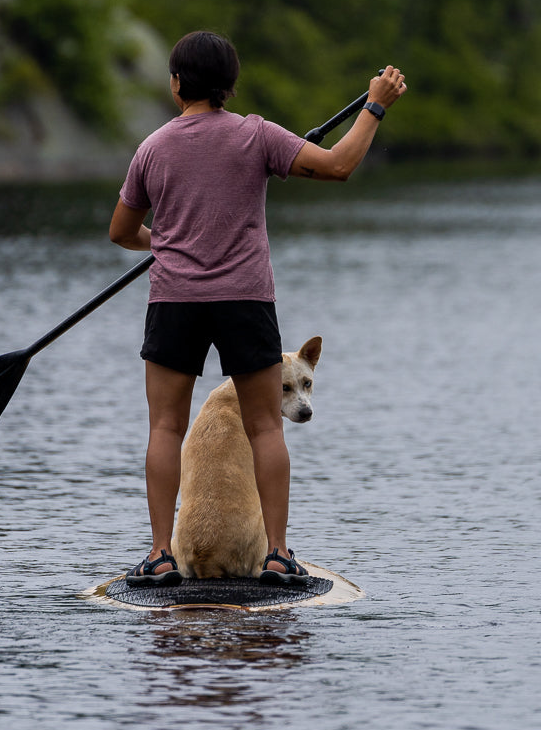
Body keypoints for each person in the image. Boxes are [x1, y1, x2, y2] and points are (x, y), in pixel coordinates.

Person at [110, 31, 407, 586]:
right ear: (230, 86)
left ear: (175, 85)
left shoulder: (152, 147)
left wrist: (170, 240)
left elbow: (121, 232)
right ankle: (277, 554)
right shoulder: (257, 135)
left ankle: (158, 556)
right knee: (267, 427)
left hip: (176, 299)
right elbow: (340, 165)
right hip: (246, 298)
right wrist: (374, 107)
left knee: (165, 428)